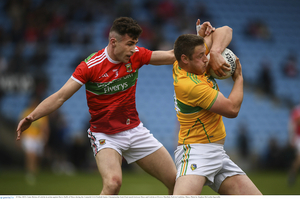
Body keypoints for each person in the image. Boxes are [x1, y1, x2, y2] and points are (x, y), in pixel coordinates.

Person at [16, 17, 224, 195]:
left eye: (136, 43)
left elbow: (173, 56)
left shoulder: (136, 56)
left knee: (177, 183)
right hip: (105, 135)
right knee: (113, 184)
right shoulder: (90, 66)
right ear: (113, 42)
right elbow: (60, 96)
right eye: (130, 43)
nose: (134, 48)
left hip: (134, 130)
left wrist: (199, 38)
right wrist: (32, 116)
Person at [172, 33, 262, 195]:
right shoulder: (191, 86)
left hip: (217, 153)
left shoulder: (187, 64)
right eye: (201, 56)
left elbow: (225, 30)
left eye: (205, 54)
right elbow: (232, 109)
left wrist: (214, 52)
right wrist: (239, 78)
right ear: (185, 59)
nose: (206, 59)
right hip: (196, 153)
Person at [19, 97, 49, 185]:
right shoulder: (26, 112)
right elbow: (20, 125)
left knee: (37, 156)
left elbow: (45, 127)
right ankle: (30, 172)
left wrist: (45, 137)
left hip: (38, 137)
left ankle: (34, 170)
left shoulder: (42, 114)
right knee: (30, 154)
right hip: (28, 136)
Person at [288, 103, 300, 186]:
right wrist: (292, 138)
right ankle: (292, 174)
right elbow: (294, 123)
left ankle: (292, 175)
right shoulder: (297, 110)